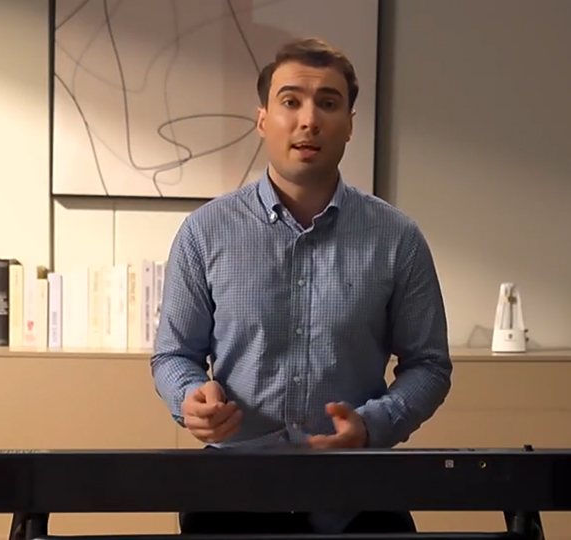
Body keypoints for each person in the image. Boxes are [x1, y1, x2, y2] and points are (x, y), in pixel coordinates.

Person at [149, 37, 453, 535]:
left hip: (358, 496)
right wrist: (189, 398)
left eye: (328, 103)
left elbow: (430, 365)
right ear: (263, 119)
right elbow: (173, 354)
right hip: (232, 497)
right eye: (290, 102)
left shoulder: (397, 237)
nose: (308, 120)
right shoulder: (205, 232)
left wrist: (372, 426)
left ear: (350, 124)